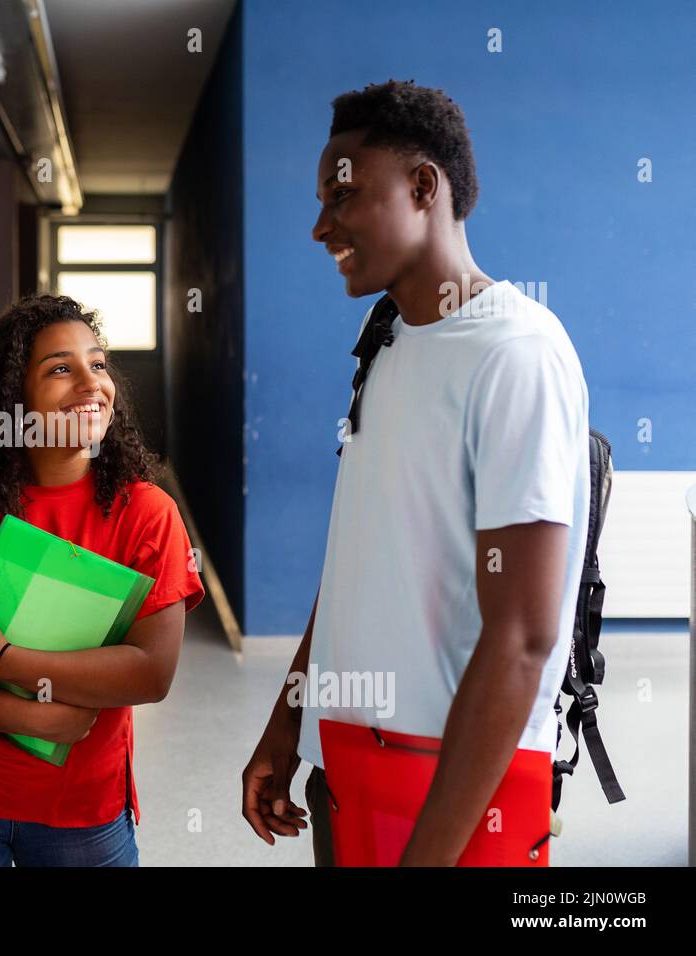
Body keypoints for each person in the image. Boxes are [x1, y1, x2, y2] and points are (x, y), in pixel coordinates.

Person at [241, 80, 590, 866]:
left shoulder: (516, 354)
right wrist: (291, 720)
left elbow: (524, 639)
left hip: (460, 784)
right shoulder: (386, 340)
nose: (320, 225)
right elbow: (358, 556)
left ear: (423, 187)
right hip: (349, 757)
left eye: (343, 193)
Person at [0, 293, 205, 866]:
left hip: (81, 813)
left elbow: (151, 672)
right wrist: (32, 714)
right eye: (60, 369)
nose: (91, 383)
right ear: (13, 399)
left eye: (98, 365)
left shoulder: (147, 513)